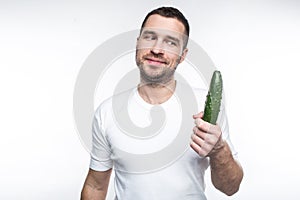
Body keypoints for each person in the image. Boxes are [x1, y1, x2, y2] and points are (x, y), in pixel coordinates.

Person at [81, 6, 243, 200]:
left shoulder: (204, 107)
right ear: (137, 43)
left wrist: (218, 149)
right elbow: (95, 185)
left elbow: (230, 188)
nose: (157, 49)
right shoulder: (107, 112)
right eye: (150, 37)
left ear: (182, 55)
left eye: (171, 42)